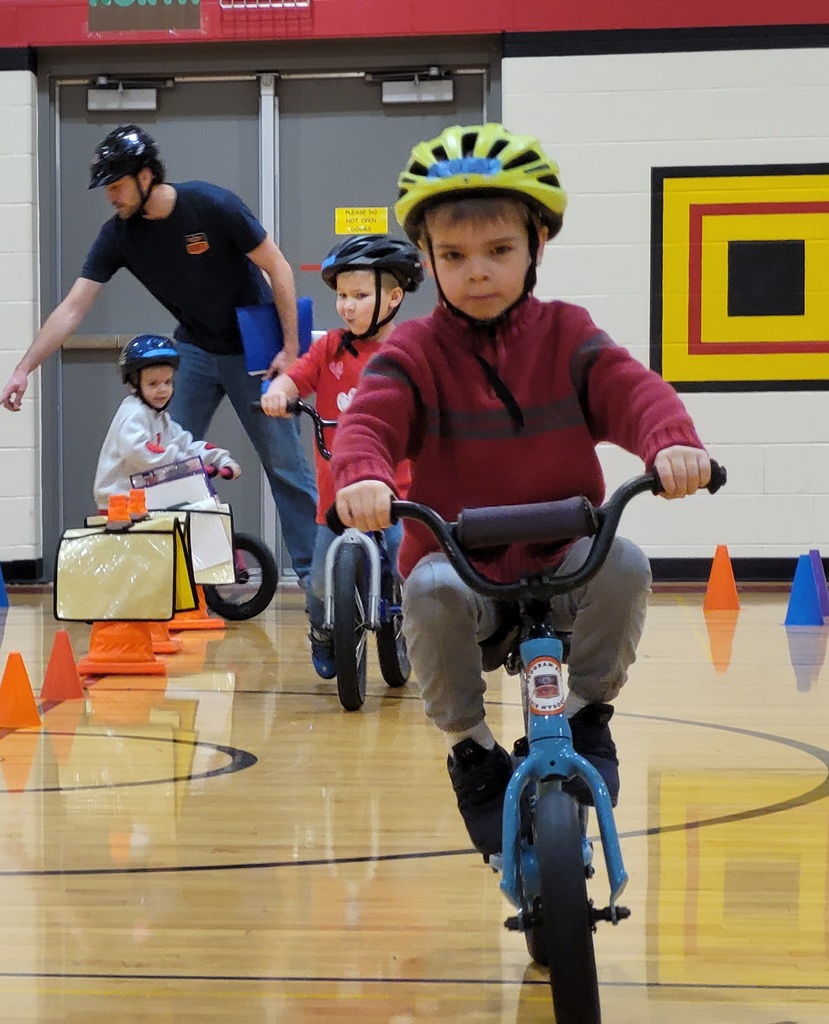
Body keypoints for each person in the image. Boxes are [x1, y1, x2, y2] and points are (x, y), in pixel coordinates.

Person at [331, 123, 712, 860]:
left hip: (562, 551)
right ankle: (471, 749)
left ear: (537, 245)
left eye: (499, 251)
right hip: (461, 561)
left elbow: (635, 393)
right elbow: (369, 422)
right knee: (429, 590)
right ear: (427, 262)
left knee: (625, 562)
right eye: (454, 256)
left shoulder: (569, 334)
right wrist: (364, 476)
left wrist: (673, 444)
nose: (478, 273)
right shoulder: (411, 351)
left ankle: (586, 710)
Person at [1, 124, 318, 607]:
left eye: (116, 185)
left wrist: (291, 352)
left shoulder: (212, 206)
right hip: (192, 349)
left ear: (146, 175)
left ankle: (320, 586)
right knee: (161, 466)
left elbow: (278, 268)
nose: (110, 197)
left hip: (253, 354)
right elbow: (72, 308)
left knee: (286, 467)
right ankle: (172, 586)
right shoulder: (119, 236)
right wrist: (24, 368)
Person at [261, 234, 423, 678]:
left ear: (393, 297)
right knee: (317, 585)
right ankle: (323, 632)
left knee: (411, 569)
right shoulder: (331, 347)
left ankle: (411, 632)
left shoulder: (408, 350)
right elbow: (297, 378)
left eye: (359, 295)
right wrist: (279, 392)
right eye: (342, 296)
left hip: (398, 493)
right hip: (336, 496)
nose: (346, 306)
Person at [94, 334, 240, 511]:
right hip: (121, 502)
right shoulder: (133, 414)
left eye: (168, 382)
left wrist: (219, 459)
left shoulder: (160, 418)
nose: (162, 390)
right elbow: (141, 453)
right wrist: (186, 464)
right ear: (134, 384)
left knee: (202, 499)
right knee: (195, 498)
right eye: (153, 383)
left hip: (142, 495)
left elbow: (185, 444)